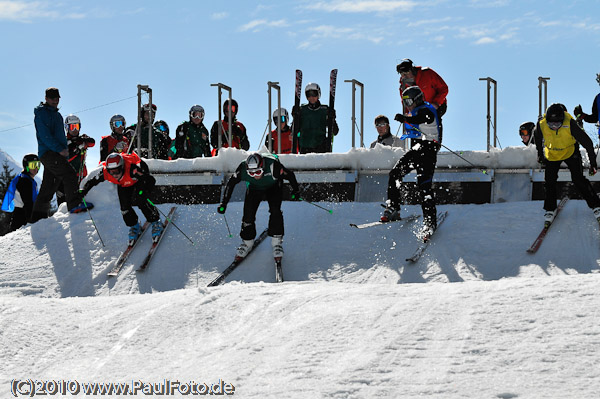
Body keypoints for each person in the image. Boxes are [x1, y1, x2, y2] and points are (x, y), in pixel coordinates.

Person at [382, 86, 442, 241]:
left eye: (408, 101)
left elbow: (426, 118)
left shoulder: (426, 109)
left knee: (424, 186)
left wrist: (406, 119)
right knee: (395, 173)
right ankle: (394, 206)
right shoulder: (415, 111)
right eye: (404, 101)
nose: (407, 104)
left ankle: (429, 222)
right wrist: (407, 118)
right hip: (416, 150)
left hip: (428, 151)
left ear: (417, 99)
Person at [217, 153, 300, 260]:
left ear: (263, 167)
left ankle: (277, 242)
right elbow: (231, 184)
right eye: (251, 173)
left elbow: (290, 175)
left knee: (275, 211)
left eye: (258, 172)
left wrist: (296, 191)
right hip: (254, 188)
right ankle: (247, 242)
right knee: (248, 213)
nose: (255, 175)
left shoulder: (273, 166)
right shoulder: (241, 168)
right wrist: (224, 202)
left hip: (273, 186)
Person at [30, 87, 92, 222]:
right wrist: (60, 149)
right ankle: (74, 204)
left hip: (56, 153)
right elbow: (45, 136)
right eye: (52, 98)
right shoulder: (42, 114)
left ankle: (37, 218)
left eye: (57, 98)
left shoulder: (56, 115)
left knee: (49, 185)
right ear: (46, 99)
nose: (55, 101)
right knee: (69, 174)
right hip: (50, 153)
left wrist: (64, 150)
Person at [533, 103, 600, 224]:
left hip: (570, 151)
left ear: (562, 120)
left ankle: (596, 205)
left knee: (578, 179)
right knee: (549, 181)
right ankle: (550, 208)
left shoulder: (570, 123)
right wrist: (540, 155)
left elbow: (588, 143)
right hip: (552, 154)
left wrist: (593, 163)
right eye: (551, 124)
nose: (554, 127)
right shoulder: (541, 125)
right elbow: (537, 139)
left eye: (557, 124)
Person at [80, 152, 164, 242]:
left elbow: (150, 180)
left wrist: (143, 191)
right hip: (124, 183)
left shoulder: (133, 169)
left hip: (138, 179)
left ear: (122, 167)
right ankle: (134, 226)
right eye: (111, 172)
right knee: (124, 207)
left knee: (141, 200)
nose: (114, 175)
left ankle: (156, 221)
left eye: (117, 171)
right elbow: (93, 181)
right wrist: (84, 190)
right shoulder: (106, 173)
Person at [56, 114, 96, 206]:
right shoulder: (63, 142)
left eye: (77, 127)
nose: (75, 130)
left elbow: (92, 142)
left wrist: (82, 142)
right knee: (64, 205)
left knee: (81, 200)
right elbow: (66, 157)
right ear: (67, 128)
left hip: (81, 175)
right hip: (65, 178)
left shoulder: (80, 139)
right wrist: (77, 148)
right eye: (72, 127)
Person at [292, 83, 339, 153]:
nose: (311, 97)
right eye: (309, 95)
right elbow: (294, 130)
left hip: (320, 148)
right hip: (305, 148)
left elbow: (335, 131)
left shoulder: (324, 110)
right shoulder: (302, 110)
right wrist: (295, 117)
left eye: (314, 94)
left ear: (318, 94)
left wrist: (332, 119)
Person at [2, 154, 39, 232]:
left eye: (38, 164)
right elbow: (28, 202)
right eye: (33, 165)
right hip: (22, 217)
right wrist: (32, 220)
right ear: (26, 166)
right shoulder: (24, 181)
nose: (36, 168)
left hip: (21, 215)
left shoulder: (27, 179)